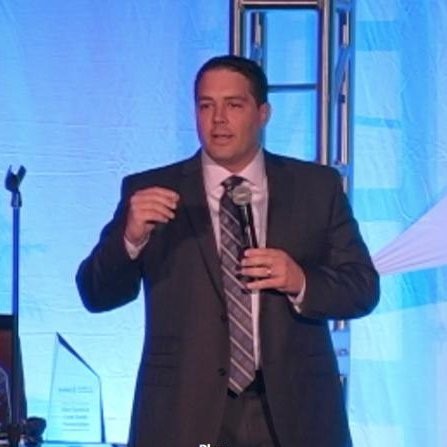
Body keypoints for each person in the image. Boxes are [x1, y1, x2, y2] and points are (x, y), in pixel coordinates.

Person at [76, 54, 380, 447]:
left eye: (233, 105)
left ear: (263, 113)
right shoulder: (151, 190)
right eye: (206, 106)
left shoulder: (315, 188)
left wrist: (300, 280)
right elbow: (95, 294)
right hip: (184, 414)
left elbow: (362, 288)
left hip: (294, 414)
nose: (218, 119)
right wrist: (130, 239)